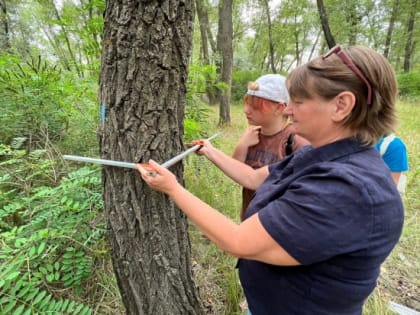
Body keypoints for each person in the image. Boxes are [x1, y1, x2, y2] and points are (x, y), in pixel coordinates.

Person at [137, 45, 404, 315]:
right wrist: (210, 151)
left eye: (298, 102)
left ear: (341, 105)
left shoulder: (347, 188)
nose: (288, 110)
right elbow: (254, 178)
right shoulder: (320, 155)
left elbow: (238, 240)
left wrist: (172, 188)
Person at [234, 74, 309, 220]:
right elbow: (236, 172)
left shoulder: (295, 142)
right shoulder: (252, 135)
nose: (247, 110)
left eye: (255, 106)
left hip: (278, 225)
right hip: (249, 220)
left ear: (279, 108)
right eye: (247, 103)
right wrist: (242, 145)